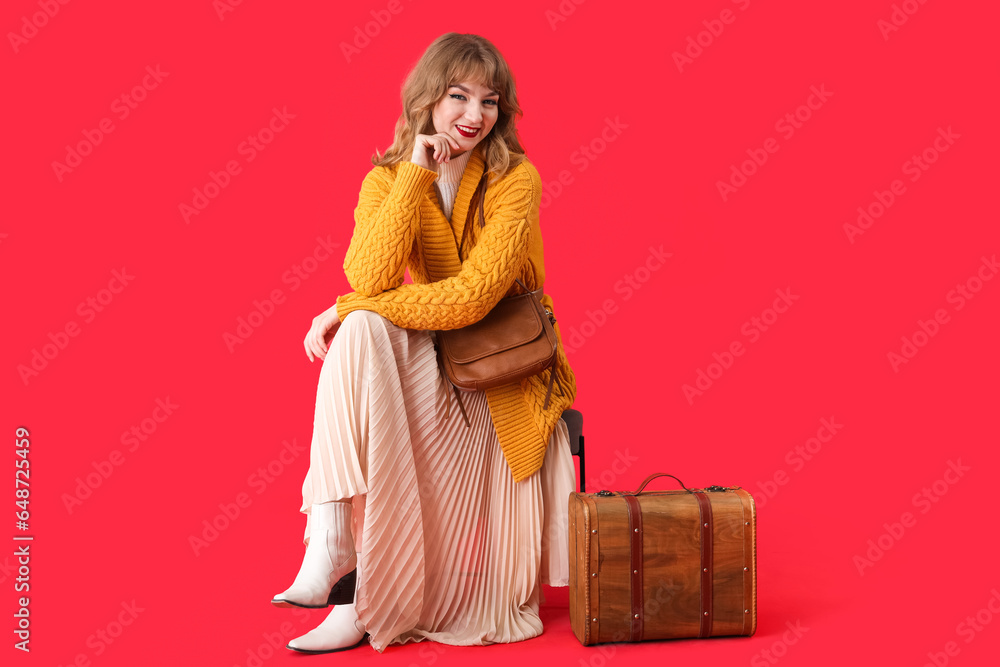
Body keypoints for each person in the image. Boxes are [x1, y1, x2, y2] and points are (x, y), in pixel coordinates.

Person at [270, 32, 578, 654]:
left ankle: (353, 589)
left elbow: (470, 299)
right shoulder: (388, 178)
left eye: (490, 101)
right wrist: (415, 171)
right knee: (361, 331)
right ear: (427, 99)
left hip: (502, 379)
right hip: (439, 366)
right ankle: (332, 547)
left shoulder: (515, 179)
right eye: (459, 96)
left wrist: (344, 306)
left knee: (356, 318)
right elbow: (370, 273)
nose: (474, 115)